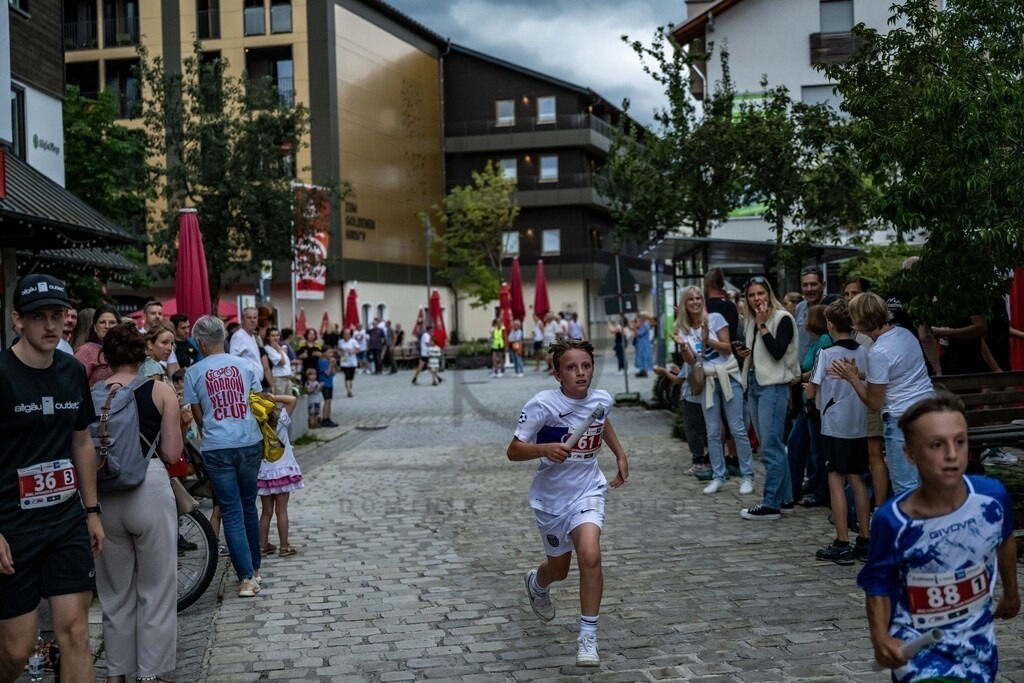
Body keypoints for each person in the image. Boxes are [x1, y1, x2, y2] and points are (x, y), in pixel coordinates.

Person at [858, 394, 1019, 681]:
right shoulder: (893, 521)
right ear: (910, 453)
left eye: (960, 441)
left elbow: (1004, 538)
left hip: (978, 654)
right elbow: (878, 583)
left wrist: (1011, 593)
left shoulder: (991, 499)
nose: (951, 454)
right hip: (919, 657)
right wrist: (880, 637)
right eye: (936, 444)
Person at [0, 274, 103, 683]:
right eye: (37, 316)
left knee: (76, 632)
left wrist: (92, 510)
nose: (49, 325)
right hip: (13, 528)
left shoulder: (71, 371)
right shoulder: (2, 373)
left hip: (65, 522)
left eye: (56, 315)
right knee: (17, 647)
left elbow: (81, 442)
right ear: (17, 321)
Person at [508, 339, 629, 668]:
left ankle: (587, 636)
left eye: (586, 366)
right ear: (556, 373)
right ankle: (538, 582)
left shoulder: (602, 399)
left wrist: (619, 454)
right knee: (558, 571)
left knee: (590, 555)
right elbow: (514, 450)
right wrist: (544, 449)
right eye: (572, 368)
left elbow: (600, 421)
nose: (580, 373)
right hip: (551, 500)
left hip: (588, 490)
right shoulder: (542, 405)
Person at [93, 323, 182, 683]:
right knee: (156, 589)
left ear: (107, 357)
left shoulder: (94, 392)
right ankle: (151, 673)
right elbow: (172, 452)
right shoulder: (160, 390)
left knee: (114, 595)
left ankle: (116, 674)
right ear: (143, 353)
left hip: (105, 497)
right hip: (149, 490)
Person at [183, 315, 265, 599]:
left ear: (202, 343)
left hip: (217, 446)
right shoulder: (246, 366)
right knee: (248, 507)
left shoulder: (194, 372)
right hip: (250, 441)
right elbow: (260, 404)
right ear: (223, 338)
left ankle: (245, 579)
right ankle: (255, 568)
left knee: (230, 511)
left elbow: (198, 417)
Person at [832, 292, 934, 496]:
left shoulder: (878, 352)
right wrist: (860, 373)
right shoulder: (904, 333)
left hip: (901, 420)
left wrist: (852, 378)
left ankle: (910, 528)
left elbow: (874, 402)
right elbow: (896, 372)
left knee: (906, 489)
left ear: (859, 320)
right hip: (928, 412)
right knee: (928, 483)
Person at [806, 299, 871, 565]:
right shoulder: (864, 352)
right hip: (859, 423)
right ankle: (865, 539)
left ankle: (842, 541)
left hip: (835, 424)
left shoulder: (827, 354)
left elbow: (812, 390)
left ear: (830, 325)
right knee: (857, 480)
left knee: (835, 478)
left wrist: (806, 388)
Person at [673, 286, 754, 496]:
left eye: (698, 298)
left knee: (737, 427)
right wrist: (683, 346)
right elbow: (692, 360)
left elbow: (727, 348)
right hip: (706, 381)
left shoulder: (715, 318)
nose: (695, 302)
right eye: (690, 299)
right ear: (685, 303)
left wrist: (706, 338)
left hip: (727, 375)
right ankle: (718, 476)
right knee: (713, 430)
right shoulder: (683, 327)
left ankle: (748, 475)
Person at [735, 276, 799, 521]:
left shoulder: (782, 318)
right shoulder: (752, 321)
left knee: (771, 446)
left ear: (768, 294)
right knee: (770, 445)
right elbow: (760, 353)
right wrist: (744, 352)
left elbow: (777, 351)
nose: (756, 299)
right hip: (755, 382)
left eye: (760, 293)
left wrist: (762, 326)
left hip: (773, 386)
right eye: (751, 295)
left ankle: (770, 503)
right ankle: (785, 499)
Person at [789, 304, 832, 508]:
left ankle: (822, 492)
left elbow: (818, 370)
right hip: (807, 405)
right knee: (797, 443)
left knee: (818, 451)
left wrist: (796, 378)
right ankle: (801, 486)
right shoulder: (814, 342)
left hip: (815, 404)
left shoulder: (823, 340)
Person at [258, 394, 304, 558]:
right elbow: (292, 399)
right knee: (282, 511)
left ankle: (263, 546)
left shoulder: (257, 424)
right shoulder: (281, 419)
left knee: (266, 512)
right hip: (283, 470)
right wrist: (274, 396)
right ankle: (284, 547)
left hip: (264, 471)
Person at [74, 303, 120, 386]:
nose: (107, 326)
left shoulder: (125, 350)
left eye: (112, 322)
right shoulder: (87, 350)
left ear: (119, 325)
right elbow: (74, 383)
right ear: (95, 327)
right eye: (102, 322)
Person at [229, 307, 263, 377]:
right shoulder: (239, 336)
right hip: (247, 383)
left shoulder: (252, 336)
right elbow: (233, 360)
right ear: (242, 320)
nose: (252, 320)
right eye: (249, 318)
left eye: (255, 318)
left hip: (255, 383)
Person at [318, 348, 338, 428]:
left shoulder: (329, 362)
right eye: (329, 352)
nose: (331, 354)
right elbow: (327, 373)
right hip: (324, 383)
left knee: (329, 401)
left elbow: (334, 373)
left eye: (332, 352)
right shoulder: (321, 362)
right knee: (326, 401)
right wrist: (330, 364)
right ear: (324, 353)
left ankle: (328, 418)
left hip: (330, 383)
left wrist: (333, 365)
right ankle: (325, 419)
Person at [338, 328, 359, 397]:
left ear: (350, 335)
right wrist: (341, 353)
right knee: (347, 376)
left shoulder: (353, 341)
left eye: (348, 334)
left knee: (351, 377)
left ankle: (349, 385)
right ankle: (349, 391)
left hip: (352, 361)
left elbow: (358, 350)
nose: (346, 335)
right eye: (344, 334)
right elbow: (339, 351)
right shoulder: (340, 342)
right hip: (344, 361)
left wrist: (352, 352)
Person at [633, 313, 653, 377]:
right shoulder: (645, 324)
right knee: (642, 357)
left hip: (643, 343)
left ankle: (644, 371)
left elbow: (639, 333)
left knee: (643, 357)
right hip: (643, 343)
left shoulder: (645, 324)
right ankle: (642, 371)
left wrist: (635, 328)